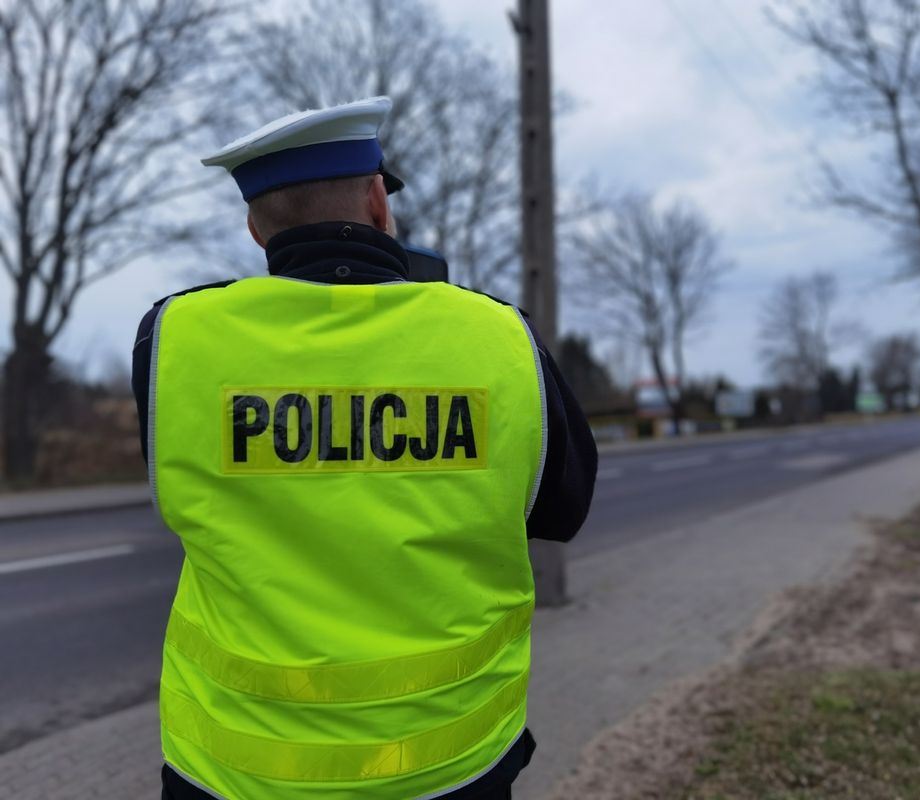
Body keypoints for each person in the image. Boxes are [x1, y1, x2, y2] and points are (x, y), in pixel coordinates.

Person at [130, 96, 597, 800]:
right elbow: (561, 511)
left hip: (235, 771)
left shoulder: (173, 338)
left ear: (256, 229)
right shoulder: (501, 335)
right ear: (379, 203)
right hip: (450, 761)